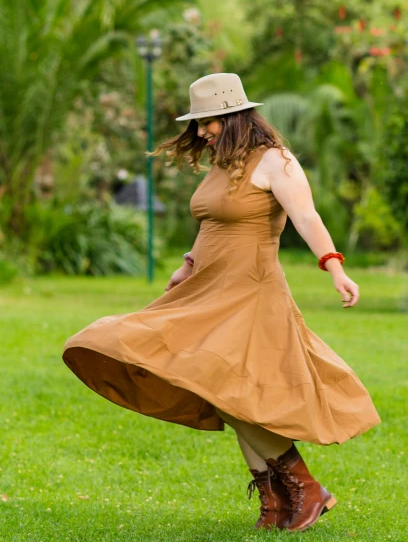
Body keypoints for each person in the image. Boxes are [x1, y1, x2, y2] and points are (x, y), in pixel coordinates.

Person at [62, 72, 381, 533]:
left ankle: (306, 488)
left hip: (251, 292)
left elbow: (306, 216)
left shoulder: (275, 162)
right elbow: (212, 223)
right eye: (198, 124)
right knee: (220, 388)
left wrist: (334, 266)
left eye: (207, 122)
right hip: (207, 287)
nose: (201, 132)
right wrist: (188, 263)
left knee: (229, 392)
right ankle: (274, 502)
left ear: (233, 116)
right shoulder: (221, 163)